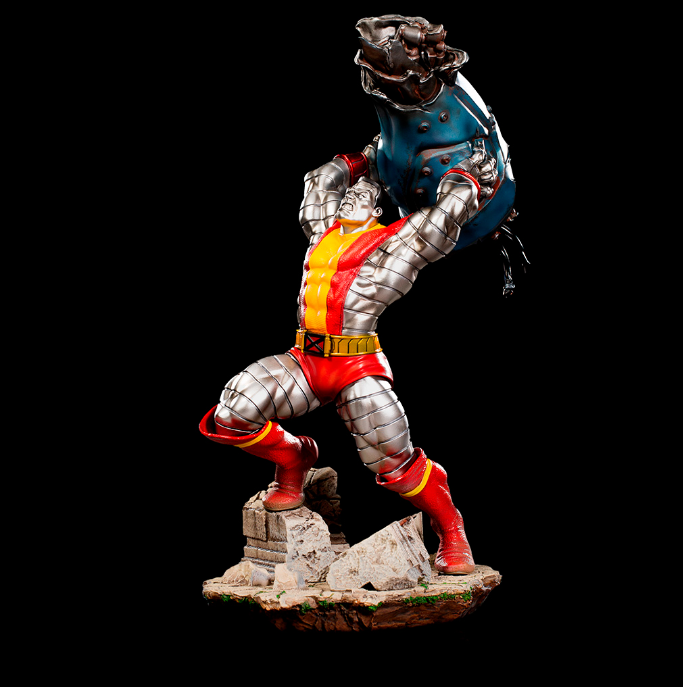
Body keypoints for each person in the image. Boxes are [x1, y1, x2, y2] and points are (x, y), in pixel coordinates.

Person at [199, 138, 496, 574]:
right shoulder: (322, 230)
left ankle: (452, 529)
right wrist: (366, 159)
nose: (352, 197)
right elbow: (321, 180)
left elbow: (442, 218)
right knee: (233, 411)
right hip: (305, 359)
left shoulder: (394, 243)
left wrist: (468, 174)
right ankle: (294, 459)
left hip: (356, 366)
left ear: (377, 210)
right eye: (350, 194)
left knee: (392, 460)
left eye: (364, 195)